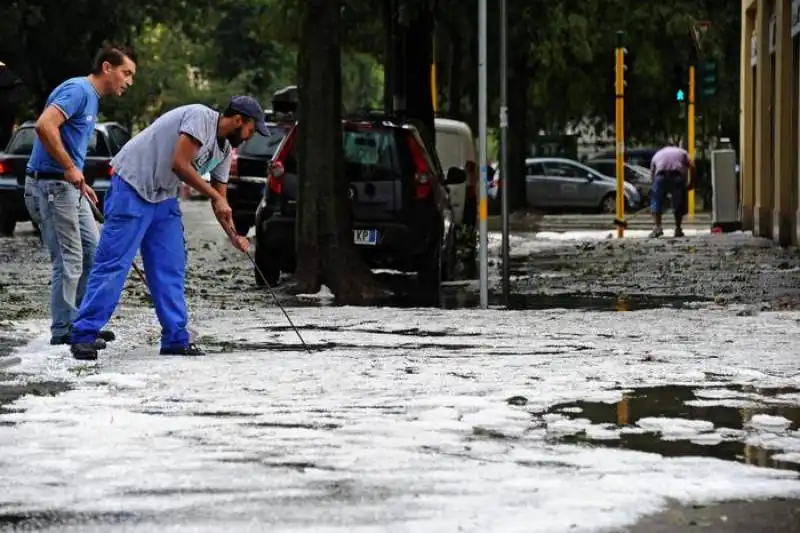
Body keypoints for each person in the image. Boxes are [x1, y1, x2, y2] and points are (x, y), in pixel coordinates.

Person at [69, 97, 268, 361]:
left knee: (170, 266)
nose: (251, 135)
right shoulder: (200, 117)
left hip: (163, 196)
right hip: (132, 185)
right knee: (114, 263)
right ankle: (83, 334)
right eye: (252, 129)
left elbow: (220, 201)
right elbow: (180, 164)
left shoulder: (223, 150)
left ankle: (175, 338)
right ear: (239, 119)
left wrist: (234, 235)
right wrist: (216, 197)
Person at [24, 44, 137, 348]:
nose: (128, 81)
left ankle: (82, 322)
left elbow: (67, 141)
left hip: (70, 186)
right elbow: (44, 125)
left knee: (94, 250)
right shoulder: (78, 90)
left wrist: (80, 179)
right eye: (126, 73)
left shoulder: (92, 100)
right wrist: (69, 168)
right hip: (50, 186)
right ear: (107, 68)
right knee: (69, 257)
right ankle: (63, 329)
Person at [648, 144, 695, 238]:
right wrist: (692, 182)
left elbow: (652, 173)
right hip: (677, 176)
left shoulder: (658, 153)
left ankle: (658, 228)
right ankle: (678, 229)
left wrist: (656, 190)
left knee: (656, 202)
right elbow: (693, 165)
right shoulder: (682, 152)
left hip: (660, 176)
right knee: (678, 203)